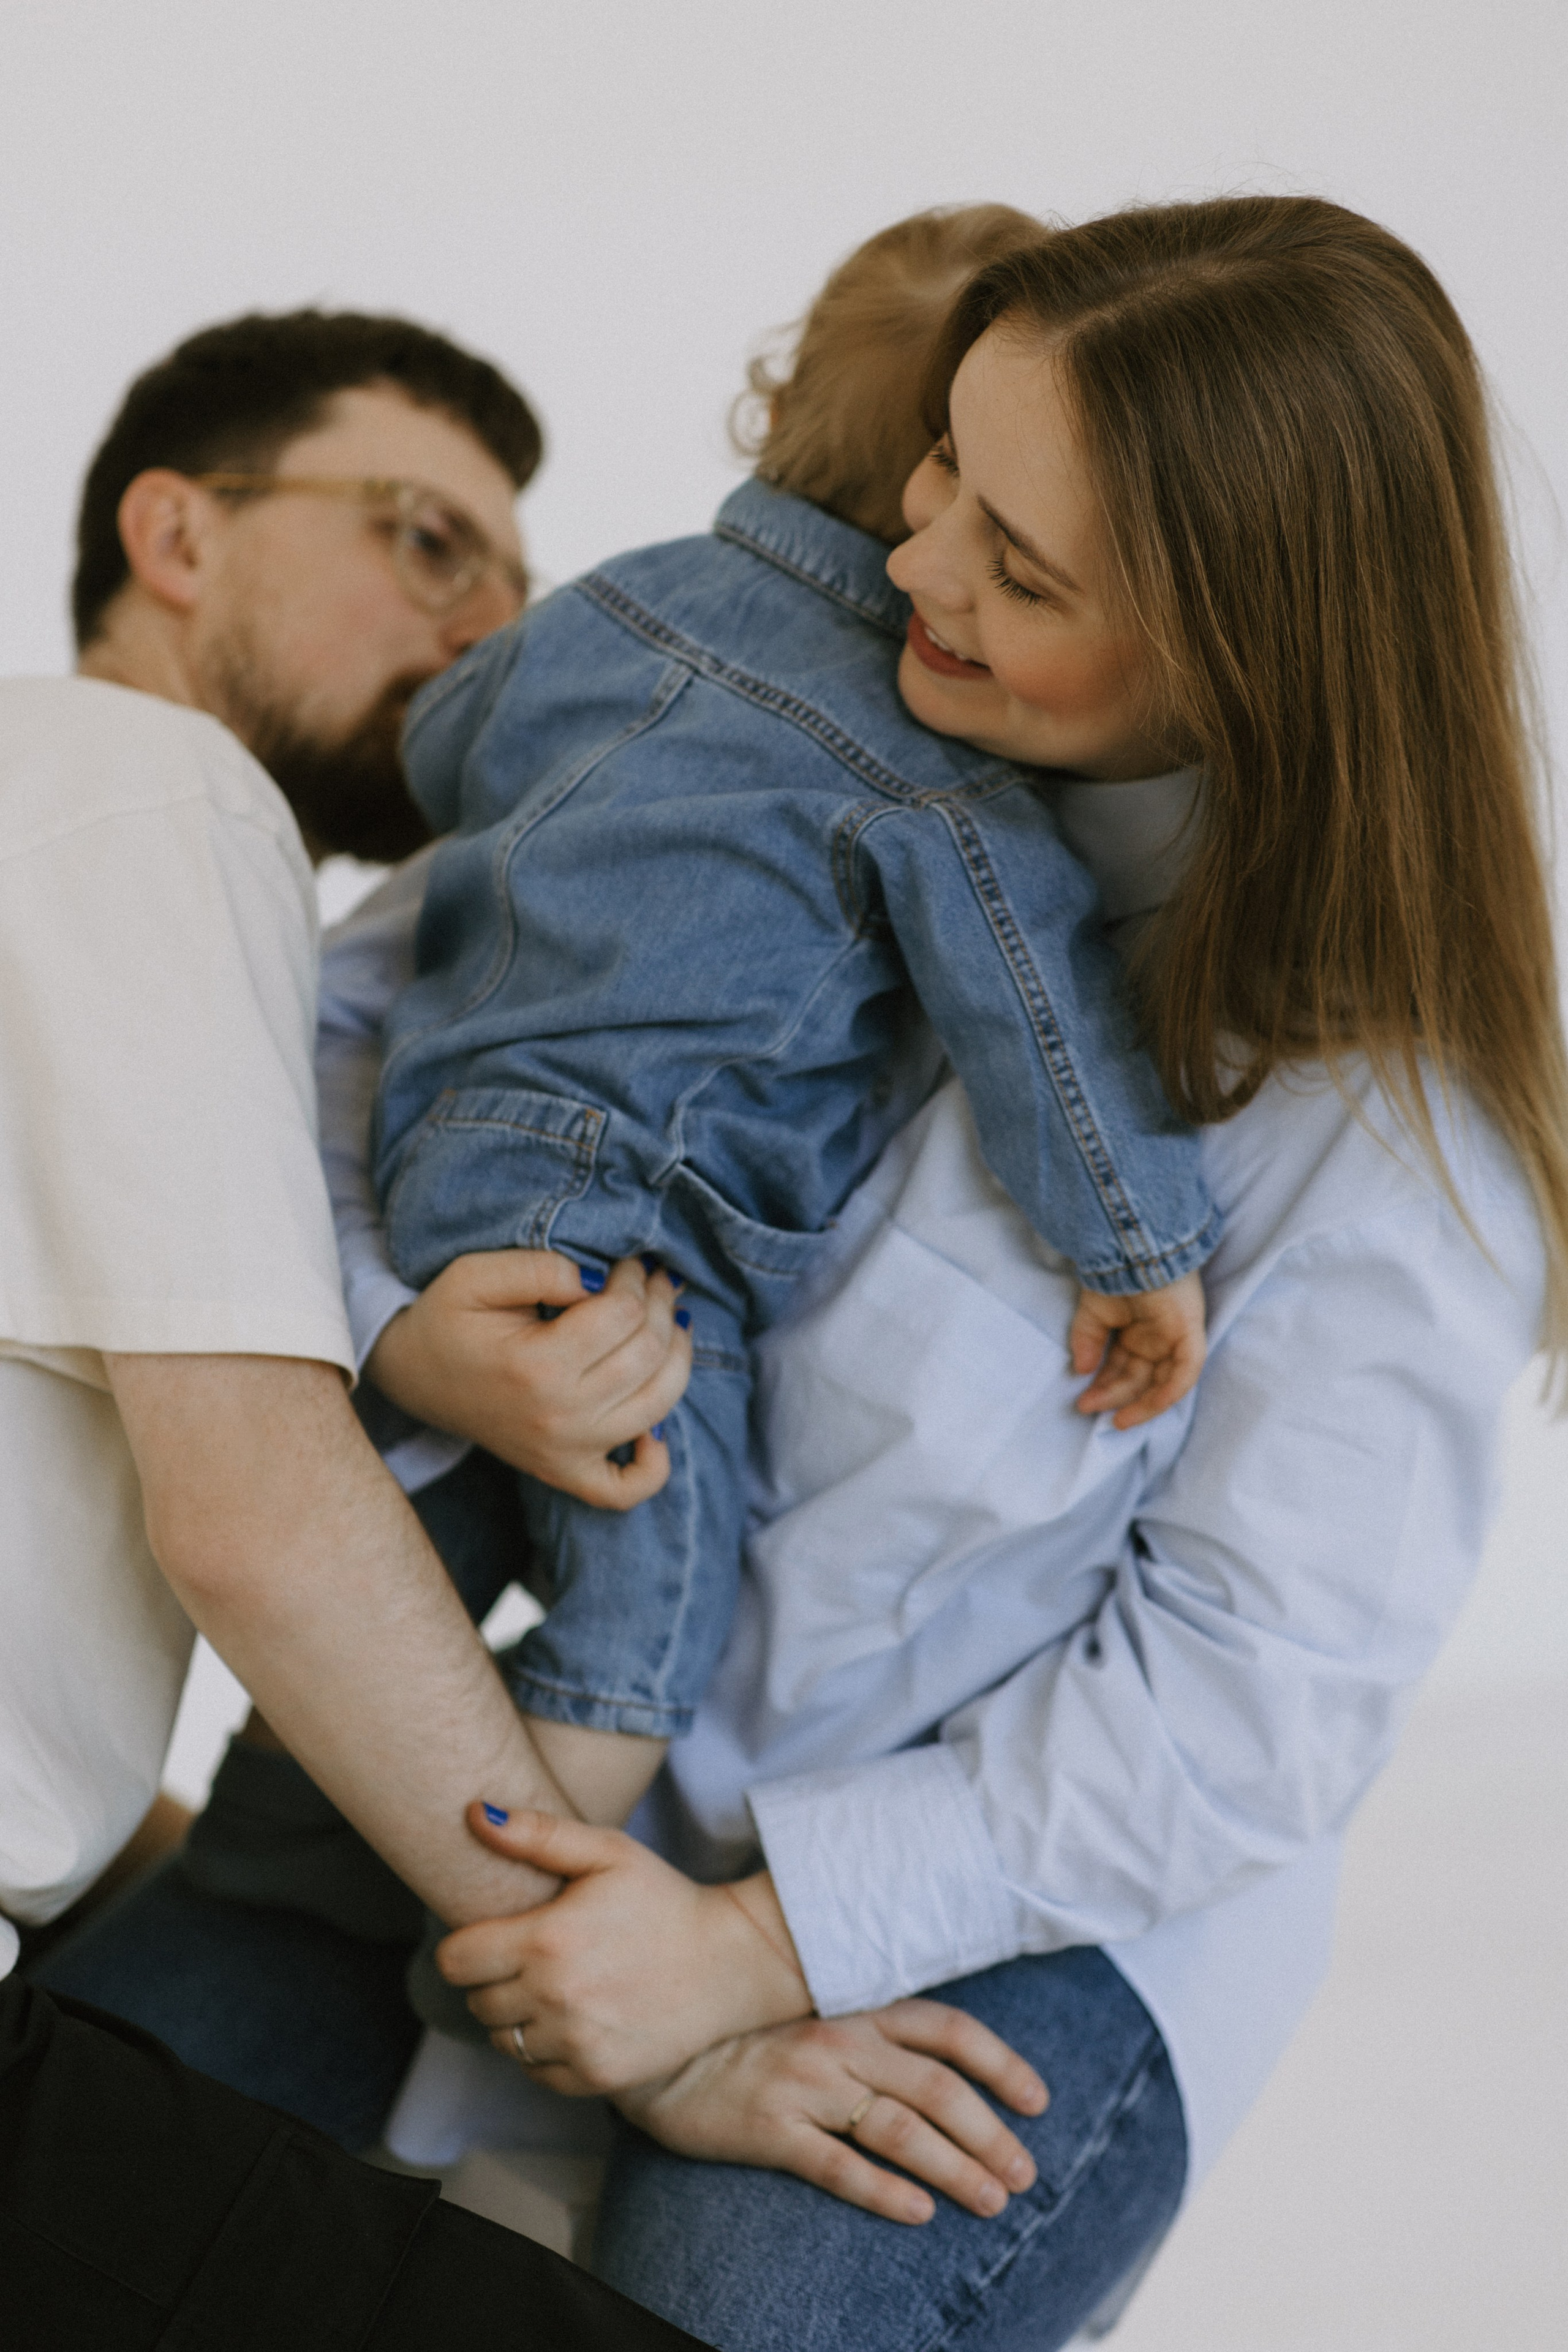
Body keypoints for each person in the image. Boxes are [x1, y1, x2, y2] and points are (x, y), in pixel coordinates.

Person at [44, 192, 1567, 2349]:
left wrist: (750, 1957)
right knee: (77, 2134)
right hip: (538, 1781)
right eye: (948, 466)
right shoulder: (744, 720)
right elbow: (344, 1027)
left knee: (718, 2308)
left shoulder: (1382, 1115)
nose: (914, 563)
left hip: (986, 1901)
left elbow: (1244, 1713)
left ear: (1243, 650)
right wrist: (409, 1319)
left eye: (1019, 570)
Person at [1, 306, 700, 2350]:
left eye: (515, 572)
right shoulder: (145, 786)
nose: (496, 627)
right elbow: (264, 1518)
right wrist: (670, 2033)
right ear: (176, 535)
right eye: (425, 537)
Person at [364, 206, 1221, 1828]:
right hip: (639, 1242)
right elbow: (1043, 1033)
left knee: (417, 1546)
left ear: (775, 401)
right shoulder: (940, 776)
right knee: (645, 1612)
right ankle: (519, 1914)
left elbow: (441, 748)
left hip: (434, 1150)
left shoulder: (614, 601)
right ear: (938, 451)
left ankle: (326, 1840)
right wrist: (1138, 1248)